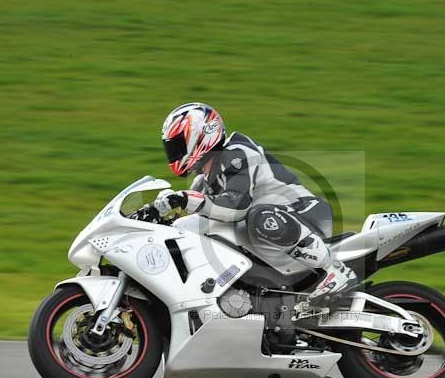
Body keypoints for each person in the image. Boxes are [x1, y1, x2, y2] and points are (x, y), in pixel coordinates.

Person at [151, 102, 358, 305]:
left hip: (305, 213)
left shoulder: (237, 152)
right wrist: (153, 214)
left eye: (178, 145)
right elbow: (184, 223)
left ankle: (336, 270)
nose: (174, 153)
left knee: (258, 215)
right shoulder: (203, 180)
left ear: (201, 134)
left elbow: (236, 207)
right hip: (276, 230)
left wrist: (186, 199)